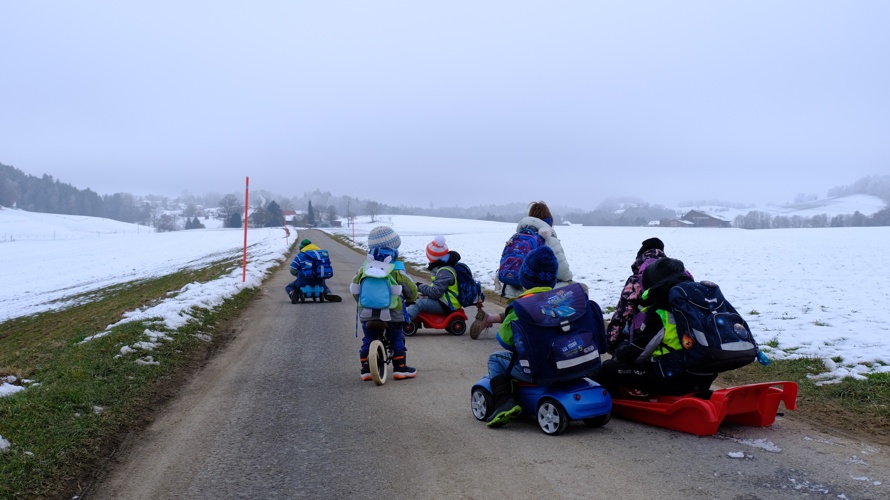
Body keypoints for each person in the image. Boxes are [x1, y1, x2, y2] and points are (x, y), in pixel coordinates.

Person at [593, 257, 717, 398]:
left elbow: (638, 353)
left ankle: (606, 402)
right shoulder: (696, 306)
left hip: (673, 377)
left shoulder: (662, 312)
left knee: (608, 369)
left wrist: (620, 351)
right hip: (704, 375)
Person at [470, 201, 575, 336]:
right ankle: (565, 330)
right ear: (549, 221)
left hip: (511, 286)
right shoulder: (549, 239)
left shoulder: (518, 236)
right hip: (534, 290)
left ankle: (490, 318)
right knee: (577, 288)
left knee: (521, 308)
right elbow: (564, 272)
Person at [484, 245, 560, 428]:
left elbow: (505, 340)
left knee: (495, 359)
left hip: (537, 369)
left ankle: (504, 401)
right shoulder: (561, 299)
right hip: (564, 361)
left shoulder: (521, 306)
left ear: (524, 279)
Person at [351, 226, 419, 381]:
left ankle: (366, 369)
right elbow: (411, 289)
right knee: (396, 338)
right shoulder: (396, 269)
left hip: (367, 313)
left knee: (368, 338)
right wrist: (410, 298)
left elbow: (355, 290)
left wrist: (362, 303)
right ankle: (400, 368)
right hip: (392, 313)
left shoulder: (364, 268)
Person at [604, 237, 667, 353]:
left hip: (645, 338)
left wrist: (610, 343)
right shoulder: (678, 273)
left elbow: (622, 314)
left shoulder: (637, 280)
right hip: (674, 335)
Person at [407, 235, 462, 320]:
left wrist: (420, 287)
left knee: (419, 303)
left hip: (448, 304)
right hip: (444, 300)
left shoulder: (444, 272)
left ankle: (404, 322)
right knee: (418, 297)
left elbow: (435, 293)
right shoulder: (444, 267)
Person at [286, 239, 341, 303]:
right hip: (319, 280)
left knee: (289, 287)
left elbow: (292, 270)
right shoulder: (320, 255)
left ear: (301, 247)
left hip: (303, 281)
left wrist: (299, 274)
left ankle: (293, 293)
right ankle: (328, 293)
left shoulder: (300, 255)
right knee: (325, 286)